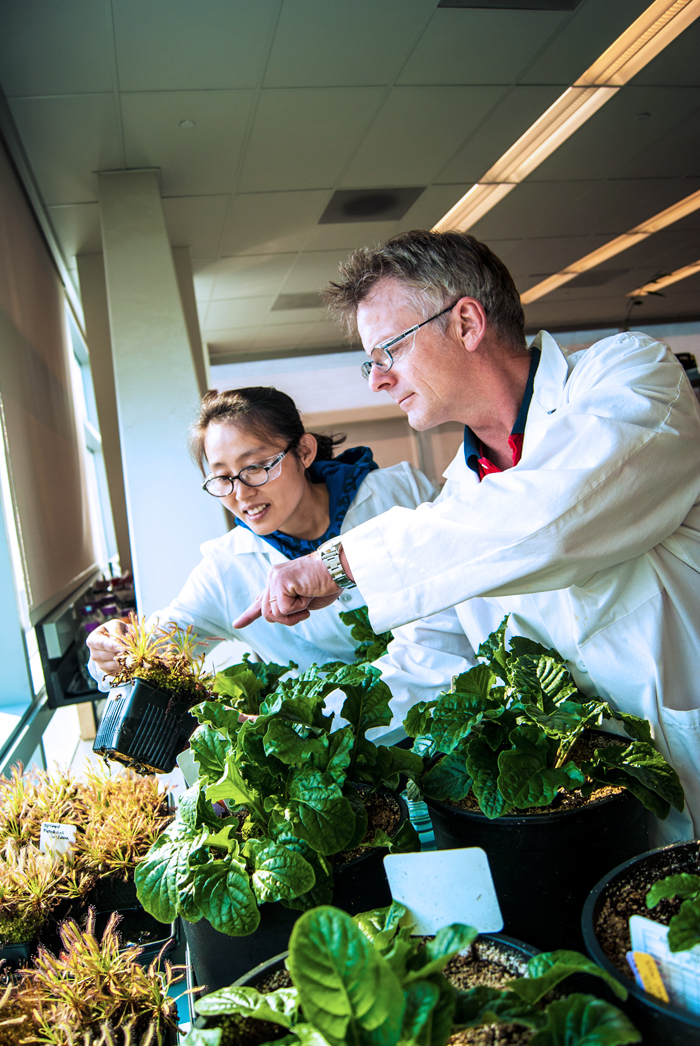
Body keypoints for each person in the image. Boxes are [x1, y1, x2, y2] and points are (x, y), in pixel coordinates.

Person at [234, 231, 700, 844]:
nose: (377, 380)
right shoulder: (459, 496)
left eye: (387, 353)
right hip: (608, 806)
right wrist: (299, 724)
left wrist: (343, 562)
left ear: (466, 323)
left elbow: (556, 517)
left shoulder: (630, 380)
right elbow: (433, 654)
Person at [86, 385, 436, 684]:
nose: (240, 494)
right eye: (222, 477)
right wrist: (113, 649)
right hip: (345, 745)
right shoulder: (226, 570)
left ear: (304, 451)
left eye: (255, 467)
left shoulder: (399, 491)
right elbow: (162, 641)